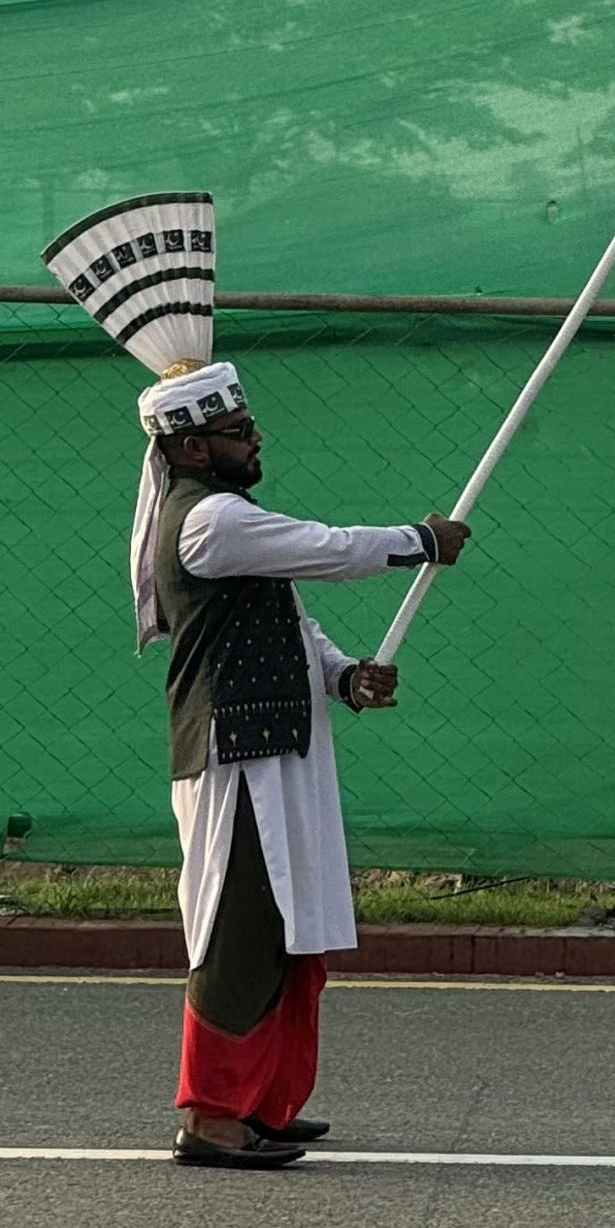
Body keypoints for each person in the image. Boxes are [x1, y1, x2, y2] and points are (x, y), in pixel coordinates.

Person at [128, 358, 470, 1170]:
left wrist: (344, 676)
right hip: (234, 753)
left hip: (279, 744)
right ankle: (212, 1115)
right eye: (239, 431)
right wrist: (419, 542)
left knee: (288, 928)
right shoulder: (209, 521)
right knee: (240, 929)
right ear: (192, 446)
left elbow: (292, 620)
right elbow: (327, 549)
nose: (256, 440)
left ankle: (263, 1103)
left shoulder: (231, 520)